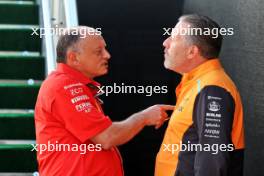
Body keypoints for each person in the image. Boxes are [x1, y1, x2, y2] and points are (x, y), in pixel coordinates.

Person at [34, 26, 174, 176]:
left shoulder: (68, 85)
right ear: (73, 58)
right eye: (98, 51)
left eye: (105, 49)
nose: (107, 55)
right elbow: (107, 137)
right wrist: (144, 117)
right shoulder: (64, 86)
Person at [155, 14, 244, 176]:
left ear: (192, 51)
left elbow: (213, 162)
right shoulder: (198, 83)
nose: (165, 43)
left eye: (174, 38)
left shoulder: (211, 89)